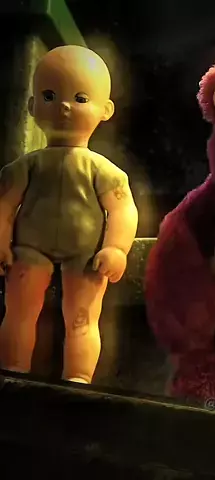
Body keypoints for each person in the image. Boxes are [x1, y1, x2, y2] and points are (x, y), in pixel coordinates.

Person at [0, 45, 138, 384]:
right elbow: (4, 205)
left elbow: (122, 208)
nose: (64, 106)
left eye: (80, 98)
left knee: (83, 318)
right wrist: (1, 241)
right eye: (49, 96)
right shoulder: (24, 167)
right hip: (29, 248)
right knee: (19, 311)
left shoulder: (104, 170)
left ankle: (78, 379)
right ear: (32, 106)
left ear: (105, 110)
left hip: (86, 254)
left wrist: (116, 248)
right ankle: (11, 370)